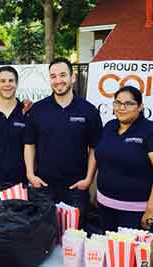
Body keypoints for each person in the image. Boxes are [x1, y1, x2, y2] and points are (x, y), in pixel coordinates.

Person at [24, 58, 103, 227]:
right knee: (42, 234)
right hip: (43, 185)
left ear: (72, 77)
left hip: (76, 187)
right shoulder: (37, 110)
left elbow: (94, 148)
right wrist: (31, 174)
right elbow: (29, 143)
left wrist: (88, 179)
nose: (58, 80)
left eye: (62, 75)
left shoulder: (88, 110)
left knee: (73, 236)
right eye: (53, 76)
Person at [94, 85, 153, 230]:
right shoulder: (109, 127)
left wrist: (151, 210)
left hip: (138, 213)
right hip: (106, 208)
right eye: (117, 103)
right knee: (109, 251)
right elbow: (103, 161)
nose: (122, 107)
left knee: (135, 253)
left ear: (140, 107)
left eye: (129, 103)